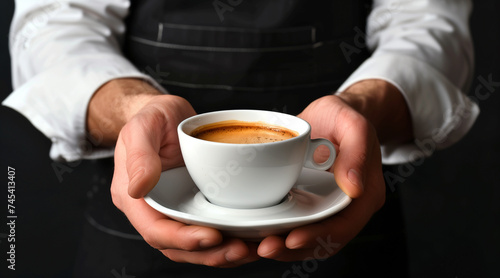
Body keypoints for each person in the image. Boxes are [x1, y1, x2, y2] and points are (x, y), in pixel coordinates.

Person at [4, 0, 479, 276]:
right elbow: (54, 24)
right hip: (134, 237)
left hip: (347, 230)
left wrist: (360, 110)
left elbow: (428, 23)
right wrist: (135, 109)